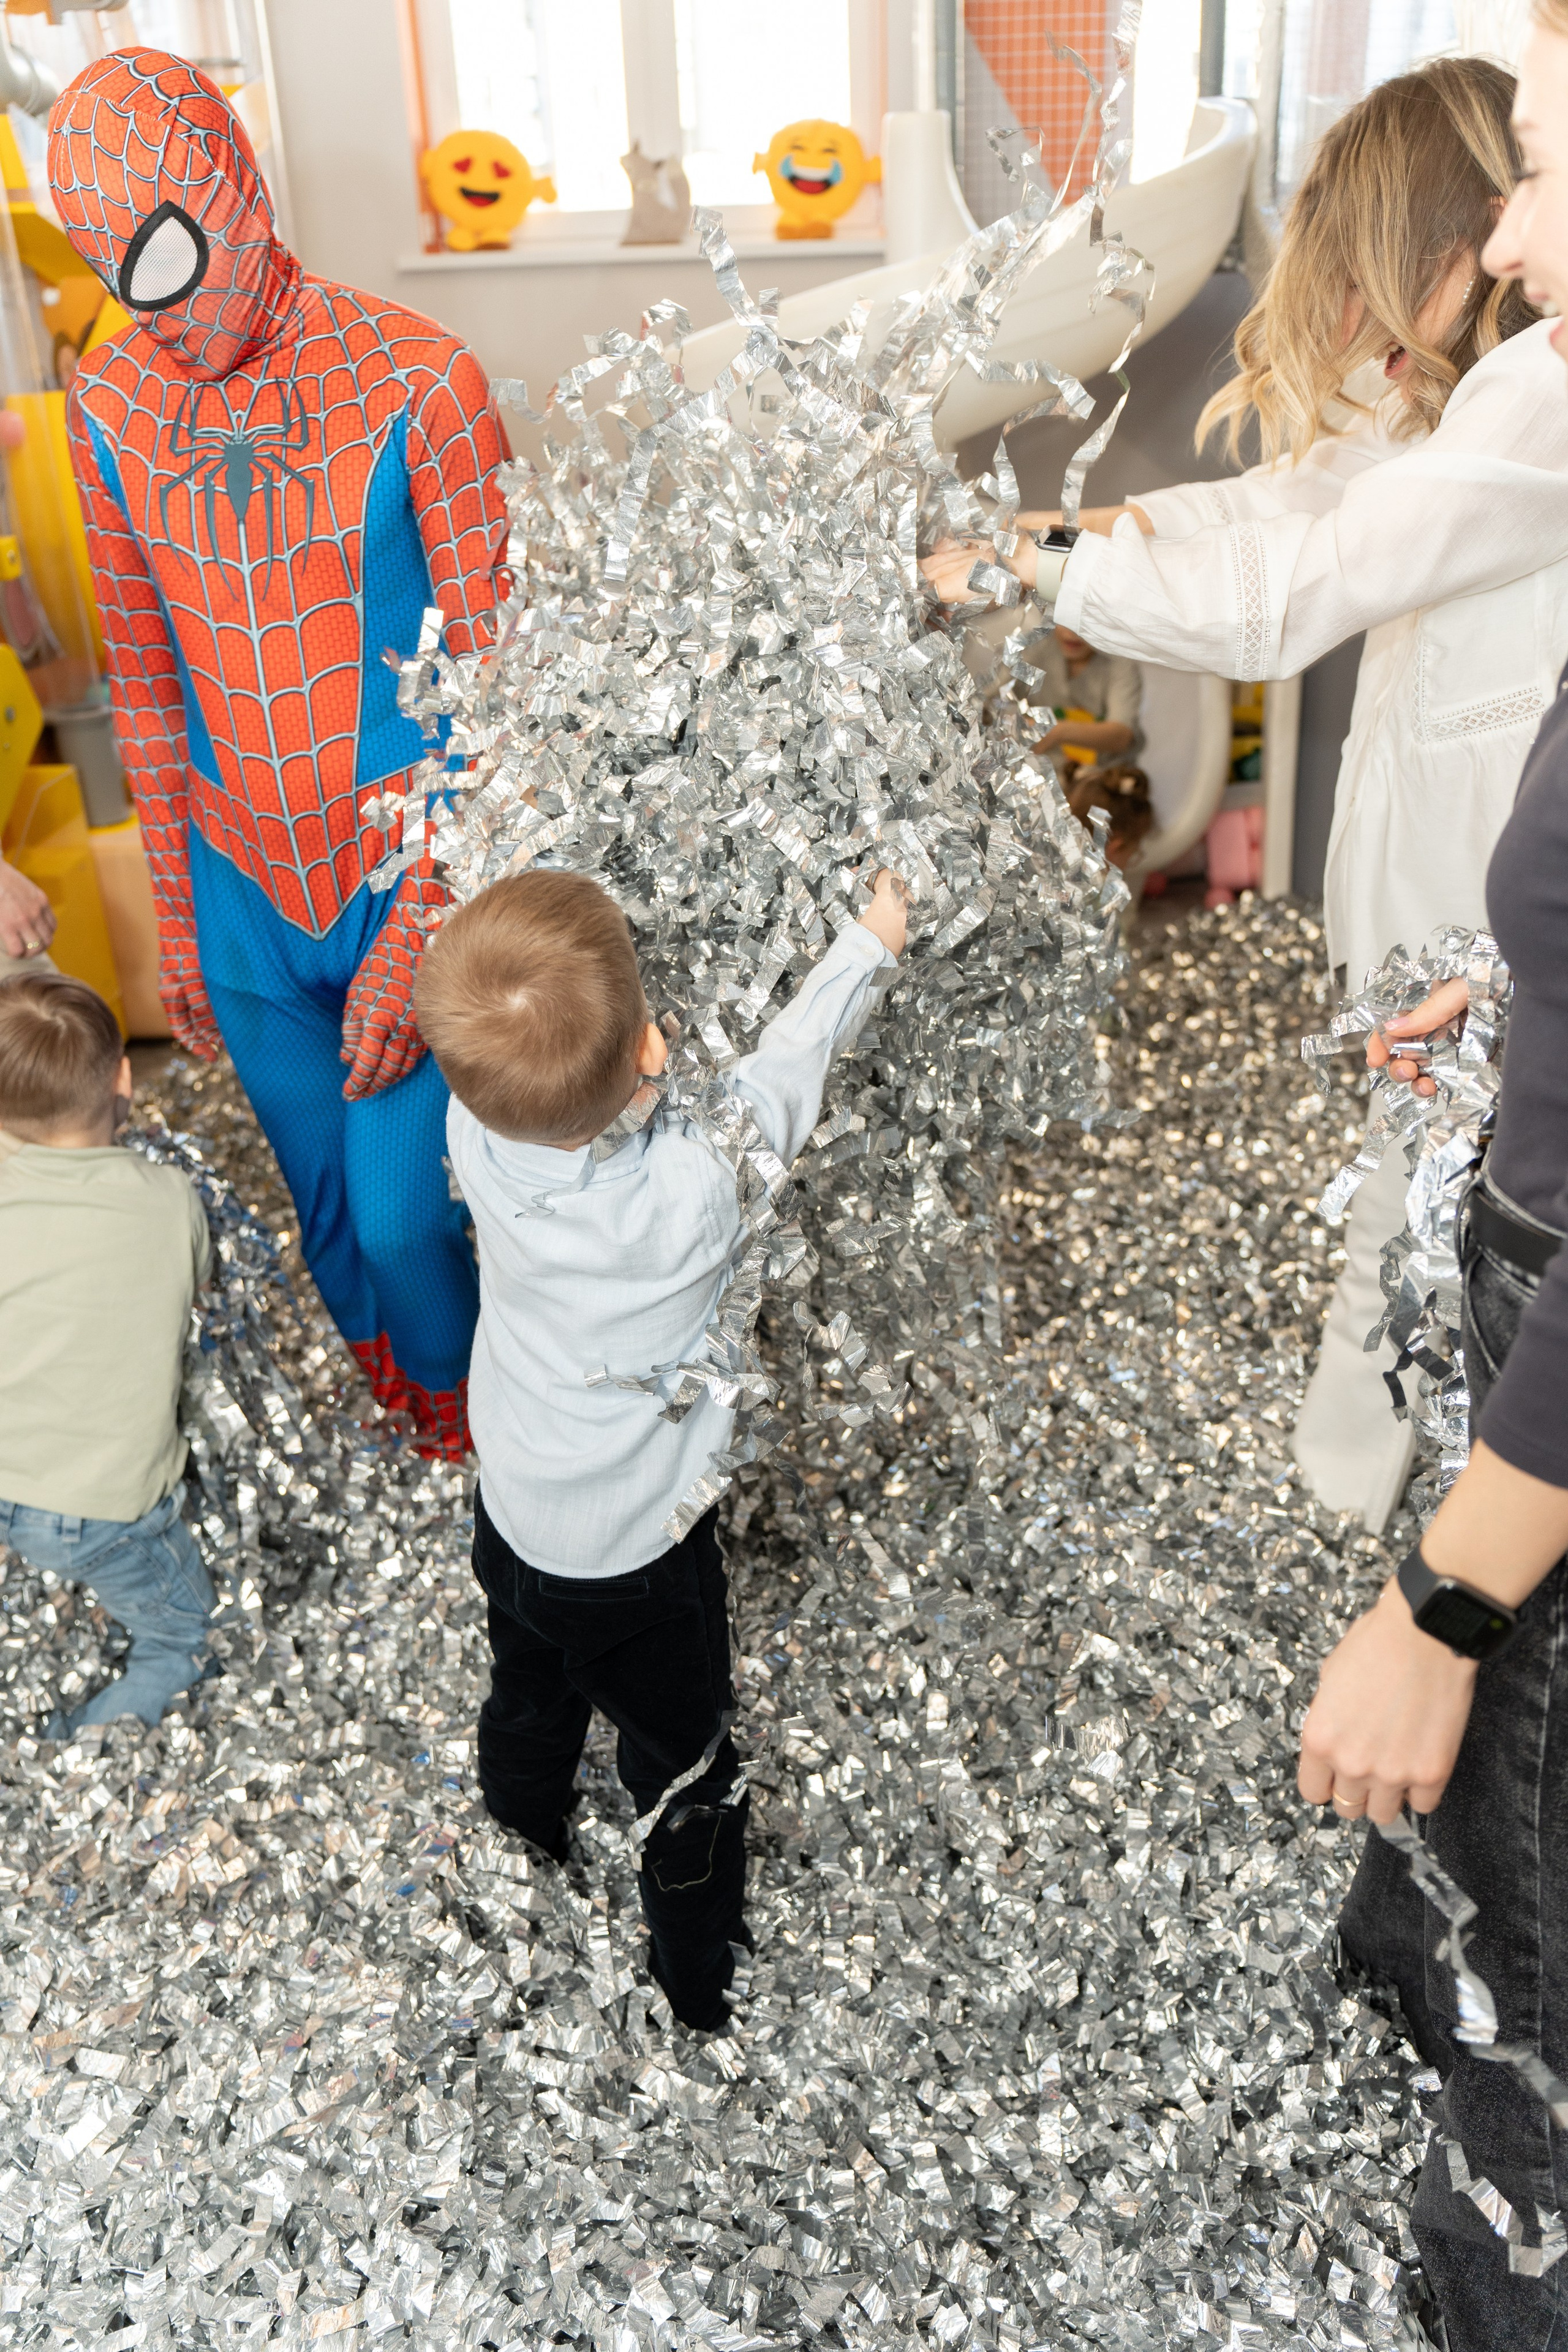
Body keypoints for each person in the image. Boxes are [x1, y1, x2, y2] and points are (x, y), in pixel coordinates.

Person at [925, 57, 1568, 1538]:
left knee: (1445, 1224)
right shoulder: (1457, 406)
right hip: (1432, 924)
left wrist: (1033, 563)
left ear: (1449, 240)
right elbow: (1287, 502)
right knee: (1415, 1203)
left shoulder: (1536, 401)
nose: (1350, 321)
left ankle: (1403, 1527)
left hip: (1484, 939)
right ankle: (1371, 1503)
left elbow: (1293, 583)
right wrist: (1075, 528)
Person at [47, 50, 509, 1455]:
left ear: (232, 192)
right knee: (322, 1207)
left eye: (165, 256)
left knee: (403, 1212)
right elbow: (145, 684)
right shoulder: (110, 405)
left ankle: (490, 1432)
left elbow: (504, 691)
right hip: (240, 892)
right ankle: (414, 1426)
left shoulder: (421, 378)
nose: (148, 307)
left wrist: (424, 918)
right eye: (109, 272)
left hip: (404, 869)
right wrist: (177, 926)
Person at [1297, 17, 1568, 2344]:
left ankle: (1499, 2268)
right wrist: (1510, 993)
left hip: (1551, 1338)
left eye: (1546, 173)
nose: (1506, 235)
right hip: (1512, 1211)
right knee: (1476, 1831)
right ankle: (1411, 1945)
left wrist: (1444, 1607)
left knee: (1533, 1890)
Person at [415, 865, 908, 2030]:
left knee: (527, 1692)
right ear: (652, 1049)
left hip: (515, 1515)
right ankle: (697, 1979)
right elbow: (785, 1074)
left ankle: (520, 1836)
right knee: (681, 1765)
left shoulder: (474, 1130)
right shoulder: (693, 1194)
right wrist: (871, 940)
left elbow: (526, 1046)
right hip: (637, 1559)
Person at [0, 970, 214, 1736]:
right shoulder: (171, 1199)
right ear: (124, 1080)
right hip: (103, 1511)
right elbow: (199, 1287)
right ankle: (70, 1749)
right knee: (186, 1638)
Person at [1019, 620, 1144, 774]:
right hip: (1046, 773)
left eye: (1084, 622)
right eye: (1066, 619)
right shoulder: (1035, 648)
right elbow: (993, 698)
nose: (1072, 632)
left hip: (1105, 776)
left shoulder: (1120, 664)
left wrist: (1057, 731)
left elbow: (1122, 736)